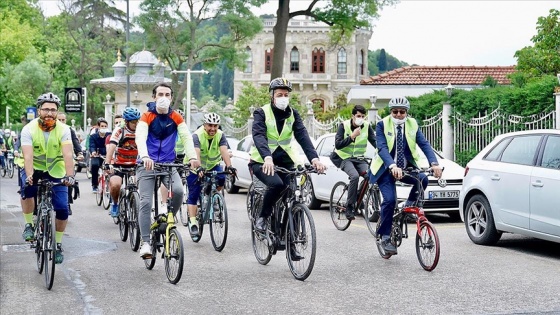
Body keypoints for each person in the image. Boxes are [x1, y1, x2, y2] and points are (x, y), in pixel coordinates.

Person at [250, 77, 326, 236]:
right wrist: (267, 157)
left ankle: (291, 242)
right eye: (279, 94)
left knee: (293, 196)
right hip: (262, 161)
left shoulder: (293, 114)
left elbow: (303, 136)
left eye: (286, 95)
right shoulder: (261, 113)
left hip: (286, 161)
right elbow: (258, 136)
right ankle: (263, 218)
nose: (283, 98)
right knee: (277, 185)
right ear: (272, 96)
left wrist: (315, 159)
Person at [368, 96, 442, 255]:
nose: (398, 115)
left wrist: (434, 163)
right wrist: (392, 165)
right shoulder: (382, 125)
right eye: (395, 112)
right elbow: (381, 148)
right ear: (390, 112)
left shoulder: (412, 124)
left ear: (407, 112)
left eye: (402, 112)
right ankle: (385, 236)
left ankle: (408, 205)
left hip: (406, 166)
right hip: (385, 168)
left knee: (422, 178)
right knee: (389, 200)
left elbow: (424, 144)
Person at [136, 82, 200, 258]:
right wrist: (145, 156)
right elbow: (140, 137)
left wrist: (193, 157)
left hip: (167, 164)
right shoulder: (146, 116)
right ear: (154, 97)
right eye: (160, 94)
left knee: (179, 191)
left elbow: (186, 137)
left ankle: (167, 219)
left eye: (167, 95)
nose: (163, 98)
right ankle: (146, 242)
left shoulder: (176, 117)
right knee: (146, 202)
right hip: (147, 164)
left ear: (171, 98)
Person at [18, 92, 75, 264]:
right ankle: (29, 224)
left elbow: (67, 155)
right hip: (33, 168)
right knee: (28, 189)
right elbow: (28, 157)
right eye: (46, 109)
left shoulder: (64, 129)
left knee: (63, 208)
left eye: (53, 110)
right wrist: (29, 176)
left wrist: (70, 176)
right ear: (38, 111)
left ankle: (57, 244)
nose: (49, 113)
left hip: (56, 170)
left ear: (57, 112)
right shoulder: (28, 129)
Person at [186, 112, 236, 235]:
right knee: (194, 193)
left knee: (222, 177)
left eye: (215, 126)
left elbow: (224, 151)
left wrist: (229, 166)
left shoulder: (220, 135)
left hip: (213, 164)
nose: (213, 128)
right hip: (196, 166)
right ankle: (193, 222)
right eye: (210, 125)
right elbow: (196, 153)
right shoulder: (197, 135)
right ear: (204, 125)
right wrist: (199, 168)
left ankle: (213, 195)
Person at [332, 105, 377, 220]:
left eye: (363, 116)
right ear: (353, 116)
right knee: (355, 176)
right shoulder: (344, 126)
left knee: (370, 175)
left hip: (359, 159)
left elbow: (375, 142)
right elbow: (338, 145)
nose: (361, 118)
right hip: (343, 157)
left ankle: (357, 196)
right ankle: (350, 207)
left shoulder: (366, 126)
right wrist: (352, 137)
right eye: (358, 116)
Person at [103, 107, 140, 217]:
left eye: (137, 121)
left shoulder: (141, 129)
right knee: (115, 185)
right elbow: (112, 147)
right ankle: (115, 203)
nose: (136, 124)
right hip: (119, 163)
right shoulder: (120, 130)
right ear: (127, 122)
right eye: (133, 122)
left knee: (141, 186)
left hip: (135, 163)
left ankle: (137, 205)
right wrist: (107, 163)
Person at [57, 113, 84, 215]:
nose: (61, 122)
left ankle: (67, 203)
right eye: (59, 119)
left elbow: (75, 142)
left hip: (66, 159)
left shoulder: (68, 129)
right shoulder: (50, 128)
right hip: (51, 160)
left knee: (68, 179)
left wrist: (79, 153)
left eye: (63, 120)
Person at [89, 118, 111, 193]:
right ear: (98, 127)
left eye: (105, 126)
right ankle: (94, 185)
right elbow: (91, 146)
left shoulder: (110, 136)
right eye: (102, 126)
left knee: (113, 168)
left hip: (108, 155)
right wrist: (93, 152)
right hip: (97, 156)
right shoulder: (93, 136)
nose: (104, 128)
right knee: (95, 165)